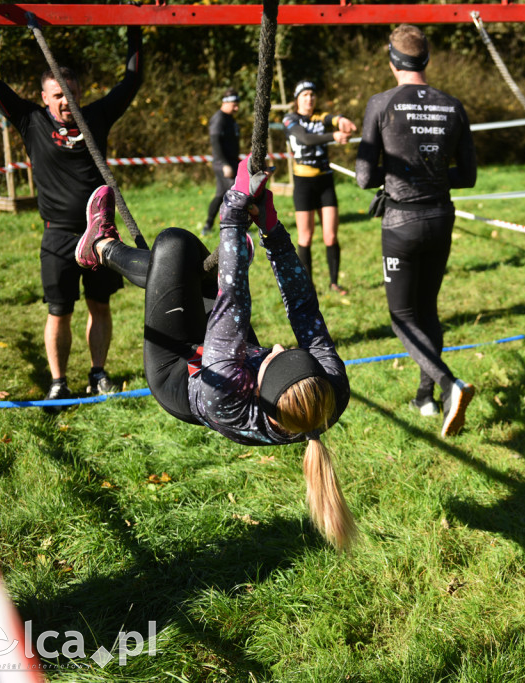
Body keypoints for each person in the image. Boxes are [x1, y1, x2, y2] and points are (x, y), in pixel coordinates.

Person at [73, 159, 357, 550]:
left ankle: (101, 247)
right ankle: (209, 261)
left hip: (180, 376)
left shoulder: (228, 393)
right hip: (233, 360)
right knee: (189, 258)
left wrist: (234, 212)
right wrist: (273, 232)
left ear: (257, 388)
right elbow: (303, 307)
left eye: (273, 357)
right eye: (283, 349)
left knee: (173, 245)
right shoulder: (332, 390)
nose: (275, 346)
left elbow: (234, 304)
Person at [0, 25, 143, 405]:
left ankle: (98, 374)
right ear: (44, 98)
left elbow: (131, 82)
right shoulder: (31, 121)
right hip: (59, 236)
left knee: (99, 306)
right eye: (57, 96)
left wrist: (134, 25)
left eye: (71, 95)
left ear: (80, 95)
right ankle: (59, 381)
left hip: (101, 235)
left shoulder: (95, 118)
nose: (65, 103)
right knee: (59, 311)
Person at [356, 24, 478, 437]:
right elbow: (469, 175)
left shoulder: (381, 103)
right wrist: (434, 179)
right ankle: (425, 397)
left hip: (401, 222)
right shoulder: (453, 105)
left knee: (402, 317)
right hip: (442, 217)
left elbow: (362, 176)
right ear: (426, 60)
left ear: (392, 60)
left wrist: (387, 174)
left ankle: (448, 384)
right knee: (428, 309)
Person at [282, 79, 356, 295]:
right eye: (304, 95)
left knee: (330, 236)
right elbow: (304, 138)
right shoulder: (289, 119)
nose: (309, 98)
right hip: (303, 183)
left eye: (312, 95)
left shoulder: (320, 118)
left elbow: (332, 118)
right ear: (297, 100)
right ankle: (308, 285)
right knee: (305, 237)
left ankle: (334, 283)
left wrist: (342, 120)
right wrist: (333, 135)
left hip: (325, 182)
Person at [203, 88, 241, 235]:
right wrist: (225, 164)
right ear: (225, 103)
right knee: (235, 194)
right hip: (223, 164)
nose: (237, 108)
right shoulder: (219, 118)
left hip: (232, 162)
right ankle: (234, 227)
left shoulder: (230, 118)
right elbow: (215, 142)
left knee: (220, 195)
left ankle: (208, 224)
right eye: (234, 105)